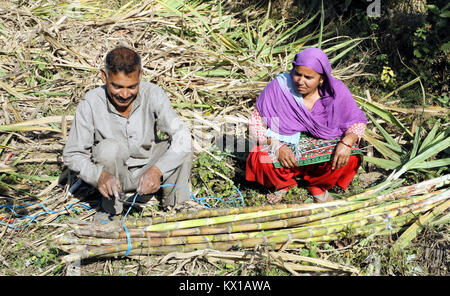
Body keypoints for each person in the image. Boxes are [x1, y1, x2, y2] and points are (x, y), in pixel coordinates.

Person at [62, 47, 193, 222]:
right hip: (113, 176)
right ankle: (111, 210)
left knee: (182, 144)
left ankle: (176, 207)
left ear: (140, 75)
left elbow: (181, 136)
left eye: (132, 87)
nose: (124, 95)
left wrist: (157, 170)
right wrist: (99, 176)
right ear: (104, 76)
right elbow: (72, 154)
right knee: (108, 149)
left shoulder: (153, 94)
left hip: (148, 167)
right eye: (117, 87)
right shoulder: (90, 103)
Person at [246, 47, 367, 204]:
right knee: (258, 156)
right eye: (297, 74)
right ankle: (283, 184)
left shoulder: (335, 92)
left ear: (321, 79)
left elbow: (356, 122)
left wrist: (347, 142)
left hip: (321, 145)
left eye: (308, 77)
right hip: (285, 145)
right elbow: (256, 123)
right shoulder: (279, 87)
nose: (300, 81)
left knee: (351, 156)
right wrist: (277, 146)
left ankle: (317, 185)